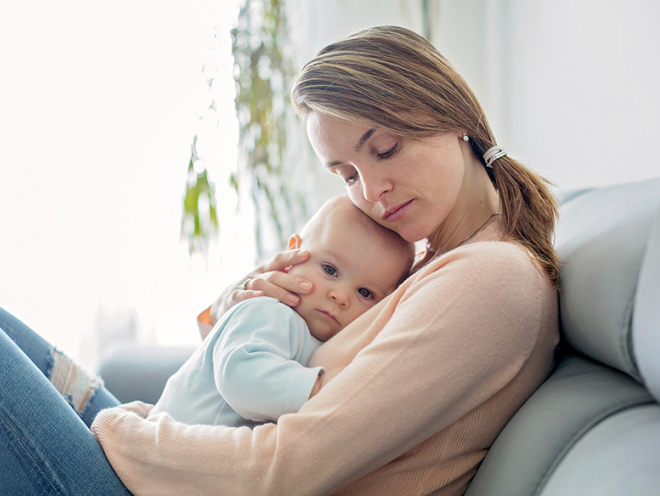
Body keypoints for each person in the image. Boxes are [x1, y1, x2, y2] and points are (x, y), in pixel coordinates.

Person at [0, 26, 560, 496]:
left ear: (452, 112)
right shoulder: (433, 261)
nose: (373, 190)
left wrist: (117, 428)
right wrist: (233, 311)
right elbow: (262, 383)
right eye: (345, 175)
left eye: (385, 149)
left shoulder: (490, 280)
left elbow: (284, 466)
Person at [149, 195, 413, 427]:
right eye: (330, 270)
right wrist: (319, 388)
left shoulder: (332, 339)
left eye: (365, 293)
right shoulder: (270, 311)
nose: (341, 296)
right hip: (153, 449)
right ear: (293, 252)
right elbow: (239, 377)